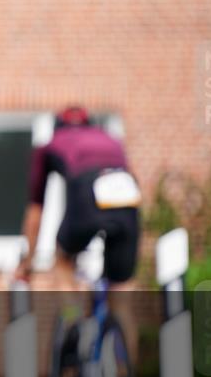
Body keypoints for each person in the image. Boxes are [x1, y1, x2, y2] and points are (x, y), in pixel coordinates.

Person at [14, 105, 141, 359]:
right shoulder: (110, 139)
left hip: (86, 192)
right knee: (121, 297)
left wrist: (28, 261)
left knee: (61, 261)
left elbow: (36, 211)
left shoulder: (49, 145)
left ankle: (73, 324)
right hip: (127, 196)